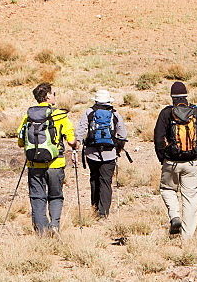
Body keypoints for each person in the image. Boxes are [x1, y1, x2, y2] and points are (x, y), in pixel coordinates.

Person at [17, 82, 76, 236]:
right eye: (53, 93)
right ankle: (54, 226)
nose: (55, 95)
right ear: (48, 96)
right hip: (55, 164)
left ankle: (42, 232)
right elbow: (71, 140)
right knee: (55, 196)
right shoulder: (59, 115)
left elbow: (20, 142)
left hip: (34, 164)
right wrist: (75, 145)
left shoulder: (28, 116)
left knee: (37, 197)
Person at [154, 81, 197, 240]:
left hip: (170, 161)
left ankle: (174, 217)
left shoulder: (166, 113)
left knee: (167, 189)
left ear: (172, 97)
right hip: (192, 161)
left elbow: (158, 138)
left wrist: (163, 158)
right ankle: (187, 238)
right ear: (186, 96)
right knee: (190, 198)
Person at [77, 90, 128, 219]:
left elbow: (81, 130)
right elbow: (122, 135)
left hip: (91, 153)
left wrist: (76, 146)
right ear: (109, 101)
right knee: (106, 182)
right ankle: (103, 212)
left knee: (94, 180)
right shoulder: (115, 114)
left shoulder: (89, 112)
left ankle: (94, 209)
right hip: (109, 153)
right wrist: (117, 150)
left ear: (95, 100)